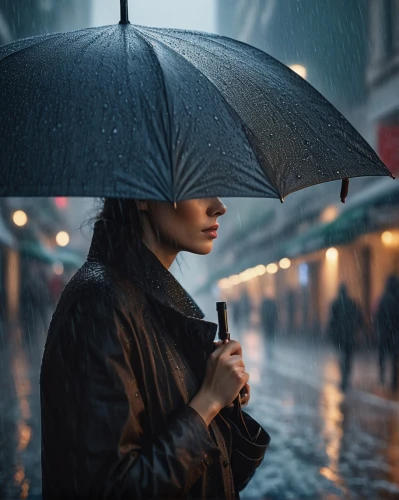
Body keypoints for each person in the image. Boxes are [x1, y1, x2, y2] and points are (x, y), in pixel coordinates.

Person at [40, 197, 270, 499]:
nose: (219, 207)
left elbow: (210, 479)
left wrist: (222, 404)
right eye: (198, 189)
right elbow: (113, 490)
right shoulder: (102, 304)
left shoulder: (143, 302)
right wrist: (207, 403)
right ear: (143, 197)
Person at [328, 284, 364, 392]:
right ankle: (346, 376)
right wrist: (358, 328)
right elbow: (359, 318)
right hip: (350, 334)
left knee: (343, 356)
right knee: (348, 356)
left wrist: (332, 333)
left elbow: (332, 321)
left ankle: (344, 377)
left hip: (340, 336)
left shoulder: (335, 304)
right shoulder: (352, 303)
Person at [375, 275, 399, 392]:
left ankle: (382, 377)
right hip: (395, 333)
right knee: (394, 357)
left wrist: (378, 328)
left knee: (383, 356)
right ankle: (393, 382)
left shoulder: (384, 298)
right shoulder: (396, 298)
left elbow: (378, 316)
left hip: (385, 332)